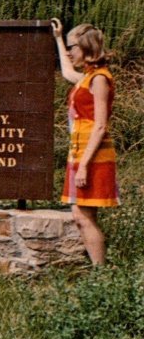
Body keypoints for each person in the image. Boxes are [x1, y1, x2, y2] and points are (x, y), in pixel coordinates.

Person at [51, 18, 119, 266]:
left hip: (92, 156)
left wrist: (85, 165)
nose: (70, 52)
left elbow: (101, 126)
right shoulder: (88, 77)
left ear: (87, 48)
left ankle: (101, 274)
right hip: (80, 153)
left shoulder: (100, 78)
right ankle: (99, 272)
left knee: (84, 216)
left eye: (73, 47)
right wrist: (58, 38)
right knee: (82, 215)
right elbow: (68, 72)